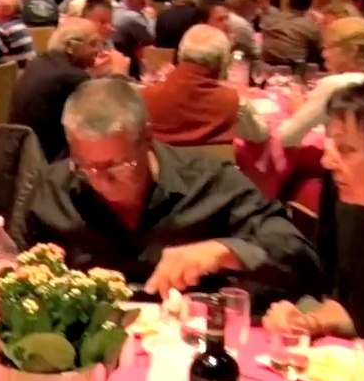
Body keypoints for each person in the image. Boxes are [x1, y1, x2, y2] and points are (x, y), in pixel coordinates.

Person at [18, 78, 319, 306]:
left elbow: (300, 258)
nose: (101, 181)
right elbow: (14, 272)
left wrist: (223, 251)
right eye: (85, 166)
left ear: (147, 138)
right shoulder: (51, 189)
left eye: (117, 166)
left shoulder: (209, 183)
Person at [264, 74, 364, 342]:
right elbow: (355, 309)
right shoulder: (352, 209)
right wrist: (308, 321)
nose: (327, 161)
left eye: (346, 150)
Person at [141, 24, 269, 146]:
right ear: (223, 62)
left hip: (161, 168)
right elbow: (260, 135)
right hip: (215, 168)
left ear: (181, 55)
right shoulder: (233, 101)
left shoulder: (145, 96)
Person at [9, 18, 105, 162]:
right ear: (70, 46)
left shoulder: (39, 62)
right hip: (49, 163)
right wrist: (120, 74)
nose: (99, 51)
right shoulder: (71, 77)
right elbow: (104, 115)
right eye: (92, 44)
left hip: (20, 154)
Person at [277, 16, 364, 148]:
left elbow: (287, 138)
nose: (323, 54)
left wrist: (300, 111)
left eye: (328, 47)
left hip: (345, 166)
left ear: (353, 50)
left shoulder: (335, 85)